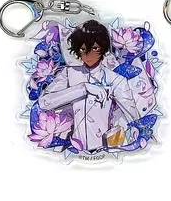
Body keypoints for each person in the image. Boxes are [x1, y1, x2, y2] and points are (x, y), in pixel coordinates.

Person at [38, 20, 139, 152]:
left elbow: (134, 117)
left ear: (103, 48)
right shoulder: (69, 73)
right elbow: (44, 102)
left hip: (105, 147)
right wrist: (82, 88)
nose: (88, 55)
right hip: (74, 146)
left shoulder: (116, 80)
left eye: (95, 48)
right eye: (83, 49)